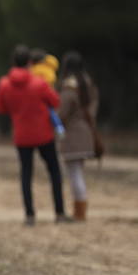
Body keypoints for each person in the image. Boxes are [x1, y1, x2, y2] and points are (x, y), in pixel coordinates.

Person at [0, 44, 72, 225]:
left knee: (26, 174)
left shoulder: (4, 84)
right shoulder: (39, 83)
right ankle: (59, 213)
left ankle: (29, 215)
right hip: (43, 134)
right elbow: (55, 101)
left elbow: (0, 107)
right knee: (54, 171)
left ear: (13, 62)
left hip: (21, 135)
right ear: (30, 62)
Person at [56, 51, 100, 221]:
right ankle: (80, 210)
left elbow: (62, 112)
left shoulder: (69, 86)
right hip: (87, 132)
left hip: (73, 135)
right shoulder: (89, 84)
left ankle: (79, 213)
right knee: (78, 172)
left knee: (74, 174)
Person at [29, 48, 66, 137]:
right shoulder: (50, 68)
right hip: (50, 94)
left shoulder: (34, 70)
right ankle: (59, 127)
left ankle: (58, 127)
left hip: (37, 96)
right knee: (51, 112)